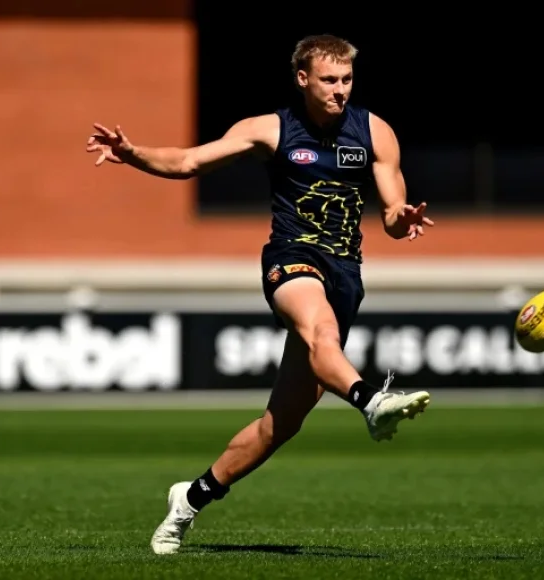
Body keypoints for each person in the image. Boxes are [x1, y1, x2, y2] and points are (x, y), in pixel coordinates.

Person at [86, 34, 435, 555]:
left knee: (279, 426)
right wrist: (133, 154)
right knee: (320, 329)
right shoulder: (269, 130)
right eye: (329, 80)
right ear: (302, 79)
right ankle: (372, 400)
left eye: (347, 80)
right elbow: (186, 163)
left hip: (345, 274)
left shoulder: (375, 132)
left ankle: (188, 500)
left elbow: (390, 210)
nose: (340, 90)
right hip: (291, 261)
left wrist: (399, 219)